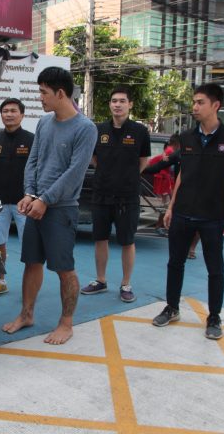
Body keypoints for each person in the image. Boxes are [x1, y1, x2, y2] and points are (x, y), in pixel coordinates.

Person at [2, 66, 97, 345]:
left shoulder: (85, 128)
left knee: (64, 268)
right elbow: (33, 160)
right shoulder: (44, 123)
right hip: (37, 205)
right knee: (32, 262)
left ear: (61, 93)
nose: (40, 98)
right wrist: (30, 194)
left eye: (44, 93)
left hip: (61, 209)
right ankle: (26, 315)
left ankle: (66, 323)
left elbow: (74, 173)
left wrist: (45, 199)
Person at [152, 83, 224, 340]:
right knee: (175, 263)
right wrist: (171, 207)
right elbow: (182, 174)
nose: (195, 107)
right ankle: (172, 307)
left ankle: (214, 316)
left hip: (213, 216)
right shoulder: (186, 138)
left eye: (200, 102)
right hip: (183, 212)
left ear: (216, 105)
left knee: (215, 269)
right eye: (194, 102)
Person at [80, 86, 150, 303]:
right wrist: (108, 174)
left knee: (127, 241)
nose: (117, 105)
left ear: (130, 105)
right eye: (114, 101)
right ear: (110, 104)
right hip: (101, 194)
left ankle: (125, 284)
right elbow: (93, 158)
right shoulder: (98, 130)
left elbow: (143, 161)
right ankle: (100, 280)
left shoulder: (140, 131)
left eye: (122, 101)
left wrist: (126, 177)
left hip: (128, 196)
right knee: (100, 238)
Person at [0, 98, 35, 297]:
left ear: (22, 115)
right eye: (5, 111)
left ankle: (29, 285)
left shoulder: (32, 140)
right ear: (1, 115)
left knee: (29, 246)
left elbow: (36, 170)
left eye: (13, 111)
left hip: (24, 202)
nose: (9, 114)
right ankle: (0, 281)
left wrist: (31, 196)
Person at [143, 135, 201, 258]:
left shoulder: (205, 154)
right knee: (181, 222)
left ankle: (191, 248)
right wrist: (140, 169)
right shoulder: (179, 154)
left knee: (198, 222)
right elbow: (157, 167)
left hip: (201, 193)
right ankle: (183, 247)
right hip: (181, 192)